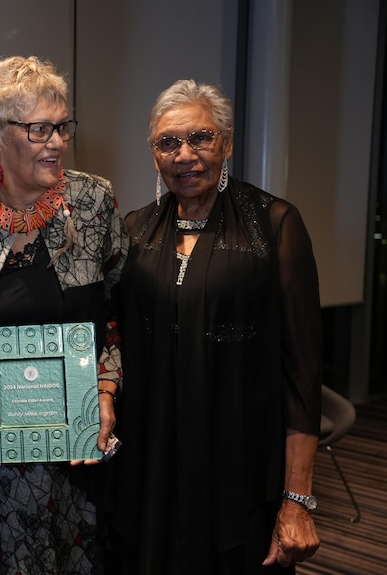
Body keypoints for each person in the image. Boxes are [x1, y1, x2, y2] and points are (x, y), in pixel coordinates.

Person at [107, 79, 322, 574]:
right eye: (169, 142)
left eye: (201, 137)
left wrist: (297, 499)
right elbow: (108, 334)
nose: (185, 154)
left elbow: (302, 375)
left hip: (239, 468)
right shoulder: (135, 231)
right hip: (150, 469)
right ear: (154, 153)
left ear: (226, 143)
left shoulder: (275, 225)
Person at [0, 55, 128, 575]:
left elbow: (115, 308)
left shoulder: (92, 202)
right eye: (40, 129)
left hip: (81, 443)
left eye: (62, 127)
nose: (58, 142)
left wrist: (106, 391)